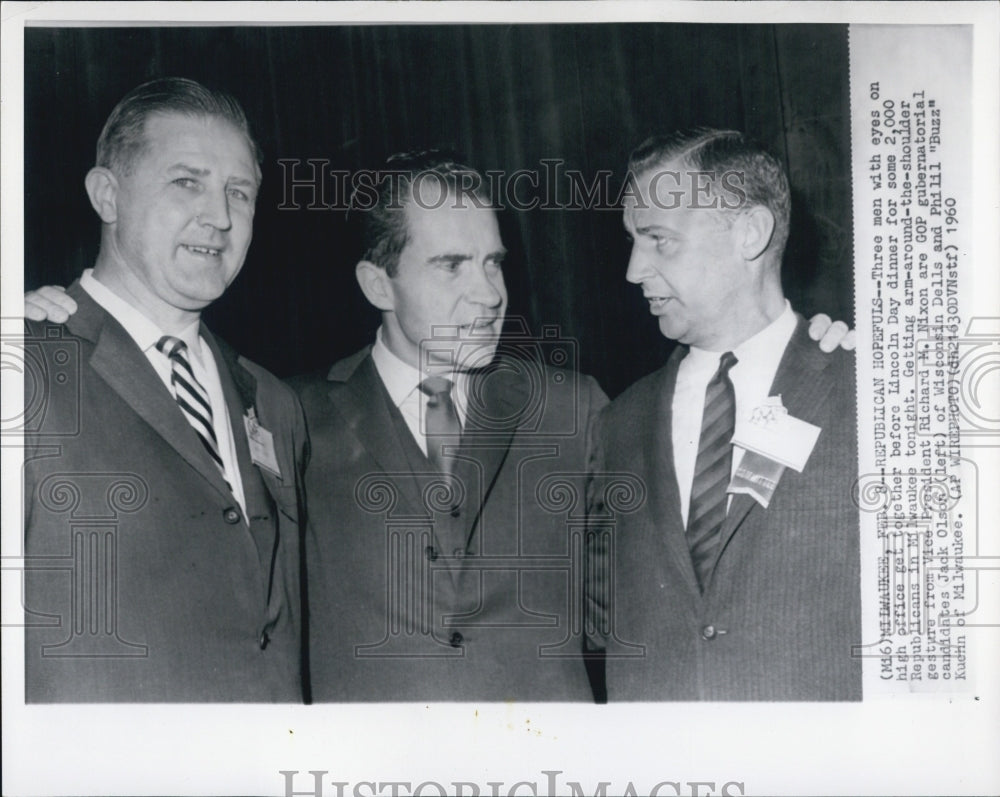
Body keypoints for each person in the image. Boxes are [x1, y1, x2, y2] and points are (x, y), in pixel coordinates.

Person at [26, 145, 853, 703]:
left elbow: (648, 586)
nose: (489, 293)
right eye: (451, 265)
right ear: (377, 284)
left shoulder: (580, 408)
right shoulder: (289, 411)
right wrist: (48, 318)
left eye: (494, 262)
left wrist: (822, 350)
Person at [21, 78, 308, 702]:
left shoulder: (272, 400)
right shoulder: (22, 364)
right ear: (108, 194)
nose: (221, 216)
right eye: (188, 182)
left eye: (241, 192)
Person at [587, 129, 861, 700]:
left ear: (750, 234)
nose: (634, 269)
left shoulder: (868, 389)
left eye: (659, 239)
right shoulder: (618, 423)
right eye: (632, 241)